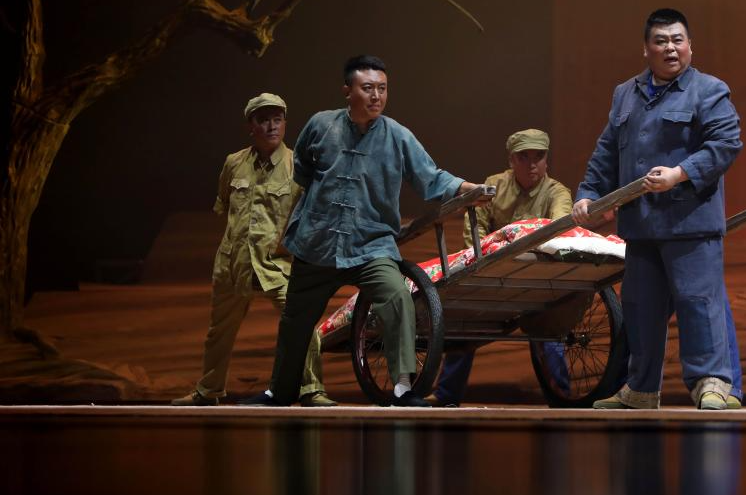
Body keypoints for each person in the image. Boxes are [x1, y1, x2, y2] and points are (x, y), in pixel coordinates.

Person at [242, 55, 484, 407]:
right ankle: (280, 391)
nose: (376, 96)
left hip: (371, 245)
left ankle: (402, 387)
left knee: (396, 297)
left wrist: (467, 189)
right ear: (348, 91)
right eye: (367, 88)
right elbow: (303, 170)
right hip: (317, 243)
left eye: (382, 89)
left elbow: (430, 177)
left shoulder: (397, 136)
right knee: (295, 319)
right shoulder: (321, 125)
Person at [573, 8, 743, 410]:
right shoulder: (625, 94)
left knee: (698, 303)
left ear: (690, 46)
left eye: (677, 40)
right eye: (661, 41)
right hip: (641, 226)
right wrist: (588, 194)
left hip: (689, 223)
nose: (670, 48)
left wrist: (679, 174)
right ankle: (641, 389)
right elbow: (607, 151)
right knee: (640, 310)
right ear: (646, 49)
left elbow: (726, 144)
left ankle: (712, 383)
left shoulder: (708, 90)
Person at [172, 93, 332, 407]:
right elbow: (225, 205)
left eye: (277, 119)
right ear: (251, 126)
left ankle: (312, 390)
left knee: (302, 324)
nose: (272, 126)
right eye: (264, 120)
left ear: (285, 124)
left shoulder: (298, 166)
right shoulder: (234, 163)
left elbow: (311, 216)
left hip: (277, 263)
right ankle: (208, 390)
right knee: (219, 331)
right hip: (234, 263)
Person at [426, 128, 573, 407]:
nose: (531, 164)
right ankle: (446, 394)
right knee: (464, 320)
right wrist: (484, 261)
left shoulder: (557, 192)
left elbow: (560, 227)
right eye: (523, 157)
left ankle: (562, 396)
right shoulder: (494, 185)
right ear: (511, 160)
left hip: (537, 279)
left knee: (550, 331)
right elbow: (475, 227)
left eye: (538, 157)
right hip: (491, 272)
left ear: (546, 160)